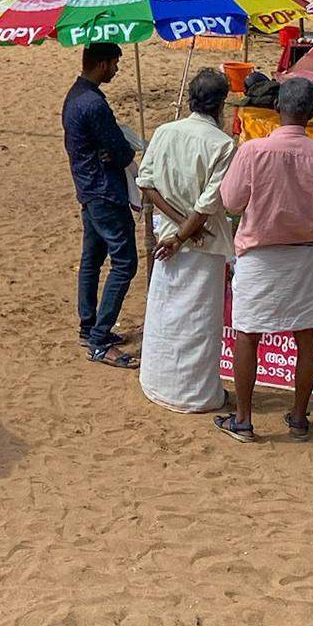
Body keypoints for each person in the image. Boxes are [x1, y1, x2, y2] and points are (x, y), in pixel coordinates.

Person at [215, 78, 313, 442]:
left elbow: (230, 202)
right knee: (306, 337)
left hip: (259, 257)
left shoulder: (253, 151)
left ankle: (243, 420)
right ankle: (299, 418)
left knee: (247, 336)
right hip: (303, 257)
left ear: (277, 108)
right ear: (312, 113)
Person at [135, 68, 237, 413]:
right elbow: (208, 203)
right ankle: (194, 394)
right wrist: (186, 230)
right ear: (220, 105)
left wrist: (179, 229)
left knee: (166, 315)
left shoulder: (165, 131)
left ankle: (159, 383)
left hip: (171, 239)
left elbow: (146, 185)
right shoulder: (223, 144)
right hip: (199, 244)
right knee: (199, 323)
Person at [63, 43, 138, 367]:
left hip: (88, 188)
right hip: (105, 192)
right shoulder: (93, 104)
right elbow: (122, 152)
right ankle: (100, 338)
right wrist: (119, 152)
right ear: (103, 64)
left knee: (92, 260)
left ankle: (88, 326)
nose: (117, 70)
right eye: (114, 64)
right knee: (124, 263)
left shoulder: (75, 97)